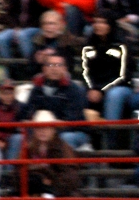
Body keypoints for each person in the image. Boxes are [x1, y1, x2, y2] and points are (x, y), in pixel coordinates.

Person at [80, 12, 131, 149]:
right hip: (94, 87)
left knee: (114, 95)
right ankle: (86, 140)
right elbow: (84, 72)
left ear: (110, 25)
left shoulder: (121, 44)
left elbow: (123, 75)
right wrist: (92, 89)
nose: (98, 25)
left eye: (102, 22)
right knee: (79, 90)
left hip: (120, 87)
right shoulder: (88, 45)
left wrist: (101, 90)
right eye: (96, 22)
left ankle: (110, 147)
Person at [20, 53, 89, 150]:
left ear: (65, 68)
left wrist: (53, 127)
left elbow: (73, 120)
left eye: (58, 65)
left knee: (63, 138)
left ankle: (61, 165)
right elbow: (28, 113)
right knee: (18, 138)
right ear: (44, 69)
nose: (54, 69)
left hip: (72, 132)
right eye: (50, 65)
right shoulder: (37, 89)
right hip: (42, 131)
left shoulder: (75, 90)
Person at [19, 110, 81, 200]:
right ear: (34, 130)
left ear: (53, 129)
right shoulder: (27, 149)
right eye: (38, 127)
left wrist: (49, 181)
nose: (42, 131)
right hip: (31, 197)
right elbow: (18, 174)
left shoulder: (64, 149)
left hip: (59, 197)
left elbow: (70, 180)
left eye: (46, 127)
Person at [26, 10, 83, 77]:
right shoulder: (37, 42)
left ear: (60, 25)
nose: (48, 27)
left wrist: (52, 56)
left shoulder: (69, 42)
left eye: (52, 24)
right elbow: (30, 69)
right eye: (45, 24)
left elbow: (71, 67)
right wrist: (37, 61)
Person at [0, 80, 27, 157]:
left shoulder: (22, 108)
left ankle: (9, 168)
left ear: (14, 94)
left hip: (12, 138)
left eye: (10, 93)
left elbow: (23, 127)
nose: (7, 96)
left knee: (18, 138)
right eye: (4, 93)